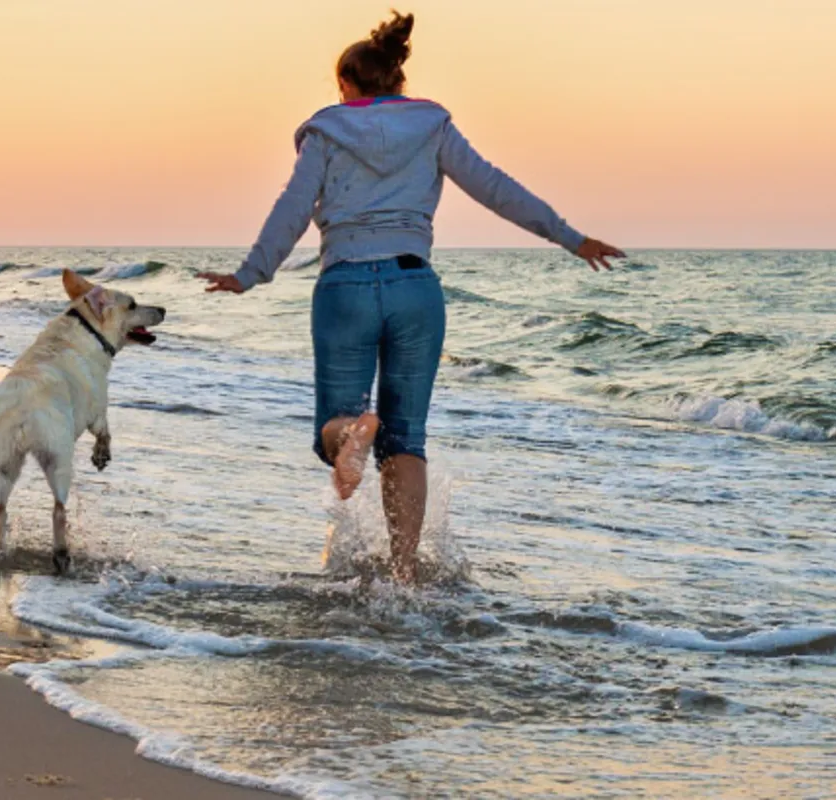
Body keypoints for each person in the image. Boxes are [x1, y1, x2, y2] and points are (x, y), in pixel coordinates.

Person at [199, 10, 625, 585]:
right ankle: (404, 574)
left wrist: (250, 274)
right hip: (415, 289)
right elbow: (496, 188)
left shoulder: (327, 132)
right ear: (398, 81)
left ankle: (349, 435)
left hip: (346, 284)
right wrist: (571, 238)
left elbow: (292, 210)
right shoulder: (432, 126)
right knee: (406, 439)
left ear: (347, 85)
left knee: (336, 423)